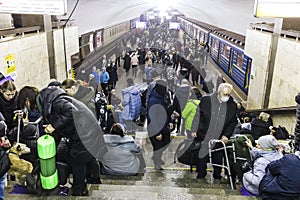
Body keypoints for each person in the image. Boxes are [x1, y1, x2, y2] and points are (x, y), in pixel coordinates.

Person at [35, 86, 106, 196]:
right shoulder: (58, 100)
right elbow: (62, 125)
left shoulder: (57, 103)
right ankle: (93, 181)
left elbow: (71, 112)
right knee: (88, 157)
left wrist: (54, 126)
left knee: (77, 161)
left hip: (85, 135)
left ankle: (77, 191)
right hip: (90, 132)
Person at [61, 78, 101, 184]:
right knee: (91, 158)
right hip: (90, 135)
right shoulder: (81, 96)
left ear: (73, 88)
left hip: (88, 135)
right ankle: (95, 178)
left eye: (66, 91)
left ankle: (91, 179)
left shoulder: (85, 102)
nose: (65, 94)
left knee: (86, 158)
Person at [195, 83, 238, 180]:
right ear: (219, 93)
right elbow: (198, 115)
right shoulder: (206, 100)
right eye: (225, 94)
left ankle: (217, 174)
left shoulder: (232, 105)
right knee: (202, 155)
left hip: (220, 136)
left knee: (218, 156)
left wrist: (226, 135)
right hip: (205, 134)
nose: (227, 97)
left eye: (228, 95)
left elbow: (233, 121)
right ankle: (201, 174)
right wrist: (194, 129)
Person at [147, 79, 174, 170]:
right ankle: (157, 162)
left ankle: (157, 157)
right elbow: (152, 118)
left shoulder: (163, 97)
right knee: (158, 146)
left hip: (164, 125)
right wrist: (157, 132)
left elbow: (166, 110)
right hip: (155, 128)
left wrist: (170, 120)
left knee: (166, 143)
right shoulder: (153, 100)